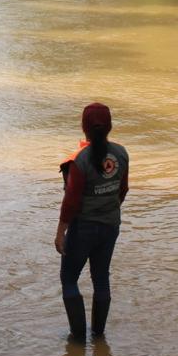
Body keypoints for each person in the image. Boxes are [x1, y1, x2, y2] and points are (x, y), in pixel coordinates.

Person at [54, 103, 129, 341]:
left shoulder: (80, 160)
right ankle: (98, 336)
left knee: (68, 279)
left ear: (83, 127)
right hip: (110, 226)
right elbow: (123, 190)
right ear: (110, 127)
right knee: (101, 278)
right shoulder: (121, 153)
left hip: (83, 227)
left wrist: (60, 232)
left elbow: (71, 201)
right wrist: (108, 210)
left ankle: (77, 339)